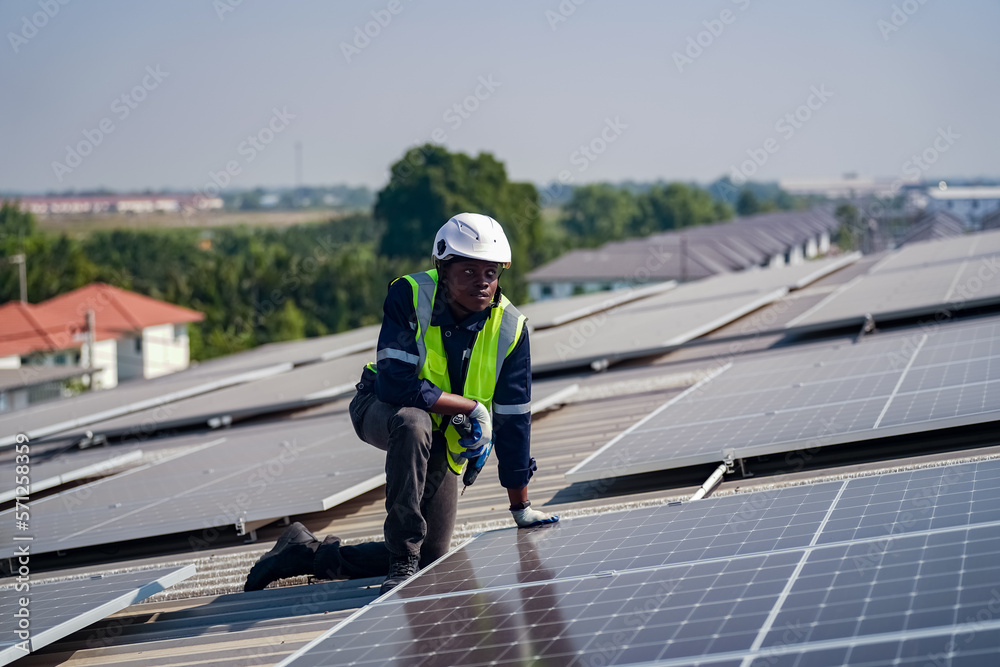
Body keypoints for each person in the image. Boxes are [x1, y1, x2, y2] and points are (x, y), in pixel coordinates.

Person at [245, 212, 558, 595]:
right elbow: (397, 384)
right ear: (443, 268)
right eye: (469, 272)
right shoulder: (409, 294)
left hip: (441, 442)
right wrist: (471, 408)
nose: (482, 283)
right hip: (380, 407)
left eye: (491, 273)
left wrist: (520, 507)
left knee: (434, 556)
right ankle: (401, 561)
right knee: (413, 423)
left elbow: (513, 420)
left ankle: (302, 554)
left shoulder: (510, 328)